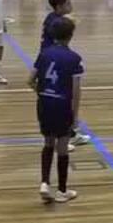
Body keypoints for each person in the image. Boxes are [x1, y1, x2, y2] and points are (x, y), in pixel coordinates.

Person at [31, 16, 83, 203]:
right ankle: (61, 191)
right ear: (70, 36)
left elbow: (30, 80)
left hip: (44, 103)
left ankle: (44, 182)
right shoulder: (74, 59)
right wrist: (75, 117)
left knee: (48, 143)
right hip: (62, 105)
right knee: (62, 148)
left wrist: (43, 92)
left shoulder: (44, 54)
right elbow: (76, 92)